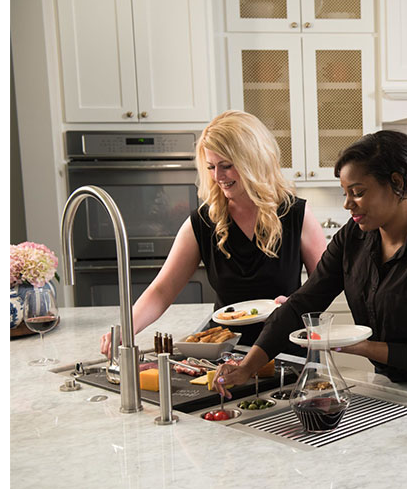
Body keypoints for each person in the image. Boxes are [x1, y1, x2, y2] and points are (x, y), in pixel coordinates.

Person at [213, 130, 407, 395]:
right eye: (345, 193)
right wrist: (247, 366)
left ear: (397, 183)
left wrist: (363, 347)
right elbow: (302, 304)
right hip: (389, 381)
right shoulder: (353, 238)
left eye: (358, 192)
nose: (348, 204)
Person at [100, 110, 327, 355]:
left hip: (286, 351)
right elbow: (162, 290)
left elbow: (325, 284)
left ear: (253, 160)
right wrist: (126, 329)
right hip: (226, 353)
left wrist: (295, 306)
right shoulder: (203, 222)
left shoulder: (296, 214)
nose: (218, 177)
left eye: (226, 166)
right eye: (211, 167)